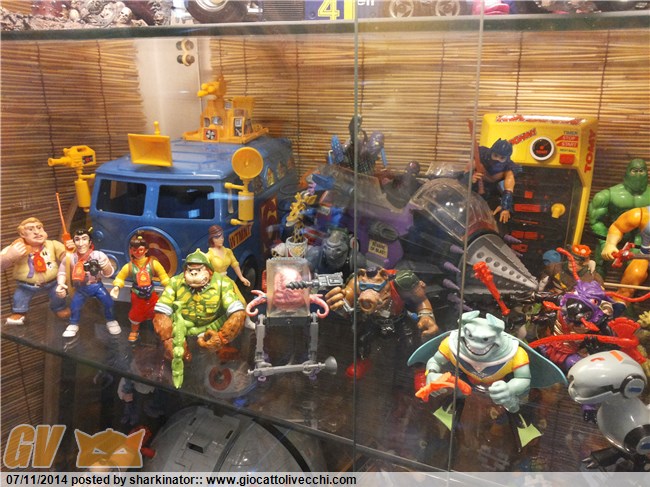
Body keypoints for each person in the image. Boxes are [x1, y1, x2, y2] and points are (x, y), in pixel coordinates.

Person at [0, 217, 72, 325]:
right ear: (22, 234)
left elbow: (66, 258)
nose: (37, 232)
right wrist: (9, 256)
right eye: (31, 229)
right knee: (20, 297)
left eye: (39, 228)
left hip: (53, 282)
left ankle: (59, 308)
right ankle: (19, 313)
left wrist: (70, 251)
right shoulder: (16, 247)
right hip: (26, 285)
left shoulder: (52, 244)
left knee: (58, 294)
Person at [588, 158, 650, 274]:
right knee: (600, 265)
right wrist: (605, 243)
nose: (638, 174)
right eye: (634, 171)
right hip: (610, 233)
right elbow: (595, 221)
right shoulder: (607, 195)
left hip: (639, 238)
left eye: (641, 171)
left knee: (635, 270)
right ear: (626, 172)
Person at [56, 228, 119, 338]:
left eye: (84, 239)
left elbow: (109, 274)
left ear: (90, 242)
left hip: (96, 285)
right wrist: (60, 283)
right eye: (77, 239)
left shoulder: (98, 255)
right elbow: (62, 272)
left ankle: (111, 320)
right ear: (73, 242)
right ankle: (73, 323)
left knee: (108, 301)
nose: (81, 243)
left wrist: (106, 267)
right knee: (75, 305)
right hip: (81, 288)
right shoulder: (70, 258)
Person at [110, 233, 170, 342]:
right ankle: (134, 331)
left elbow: (163, 276)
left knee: (156, 312)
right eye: (135, 250)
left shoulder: (153, 264)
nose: (138, 252)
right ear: (131, 251)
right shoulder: (129, 266)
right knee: (136, 314)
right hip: (137, 295)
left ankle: (159, 330)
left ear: (146, 250)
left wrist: (168, 286)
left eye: (141, 250)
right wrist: (117, 287)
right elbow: (120, 277)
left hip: (151, 294)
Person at [467, 138, 521, 224]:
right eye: (495, 155)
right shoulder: (480, 158)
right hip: (473, 191)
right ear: (491, 153)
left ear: (506, 159)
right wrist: (470, 179)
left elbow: (508, 189)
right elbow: (465, 174)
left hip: (492, 193)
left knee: (499, 212)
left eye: (502, 158)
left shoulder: (508, 169)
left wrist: (505, 207)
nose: (497, 160)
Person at [206, 225, 249, 302]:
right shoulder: (209, 255)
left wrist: (241, 277)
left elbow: (235, 264)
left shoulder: (228, 251)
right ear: (212, 239)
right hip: (214, 283)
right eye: (217, 238)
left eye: (222, 237)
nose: (221, 240)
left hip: (226, 280)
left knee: (238, 300)